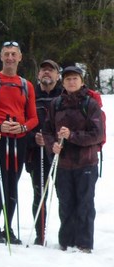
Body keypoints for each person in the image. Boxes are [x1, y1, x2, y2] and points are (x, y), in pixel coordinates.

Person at [0, 42, 38, 245]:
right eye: (6, 54)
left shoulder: (26, 85)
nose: (10, 58)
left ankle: (8, 227)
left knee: (13, 184)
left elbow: (33, 118)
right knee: (0, 182)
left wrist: (22, 128)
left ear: (20, 57)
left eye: (14, 54)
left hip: (19, 140)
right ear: (1, 57)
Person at [42, 66, 104, 253]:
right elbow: (47, 130)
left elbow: (97, 134)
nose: (71, 82)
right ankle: (66, 241)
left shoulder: (90, 104)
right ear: (63, 82)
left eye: (75, 78)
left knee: (84, 203)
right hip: (63, 163)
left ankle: (84, 243)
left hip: (86, 162)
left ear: (82, 81)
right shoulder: (56, 104)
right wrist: (52, 144)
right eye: (68, 79)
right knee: (65, 202)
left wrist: (72, 136)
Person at [28, 60, 63, 245]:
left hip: (62, 153)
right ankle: (40, 235)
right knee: (39, 194)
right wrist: (33, 136)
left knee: (63, 195)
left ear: (58, 75)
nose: (47, 73)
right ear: (38, 75)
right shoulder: (30, 94)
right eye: (43, 70)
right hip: (38, 152)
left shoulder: (66, 94)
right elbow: (24, 121)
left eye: (51, 70)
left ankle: (67, 235)